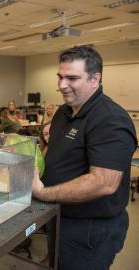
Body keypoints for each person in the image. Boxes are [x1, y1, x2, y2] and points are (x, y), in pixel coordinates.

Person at [32, 45, 137, 270]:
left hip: (90, 229)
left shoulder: (110, 120)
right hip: (60, 215)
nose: (61, 85)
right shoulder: (63, 112)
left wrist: (42, 193)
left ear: (94, 78)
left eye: (71, 78)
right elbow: (54, 152)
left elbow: (104, 183)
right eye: (60, 77)